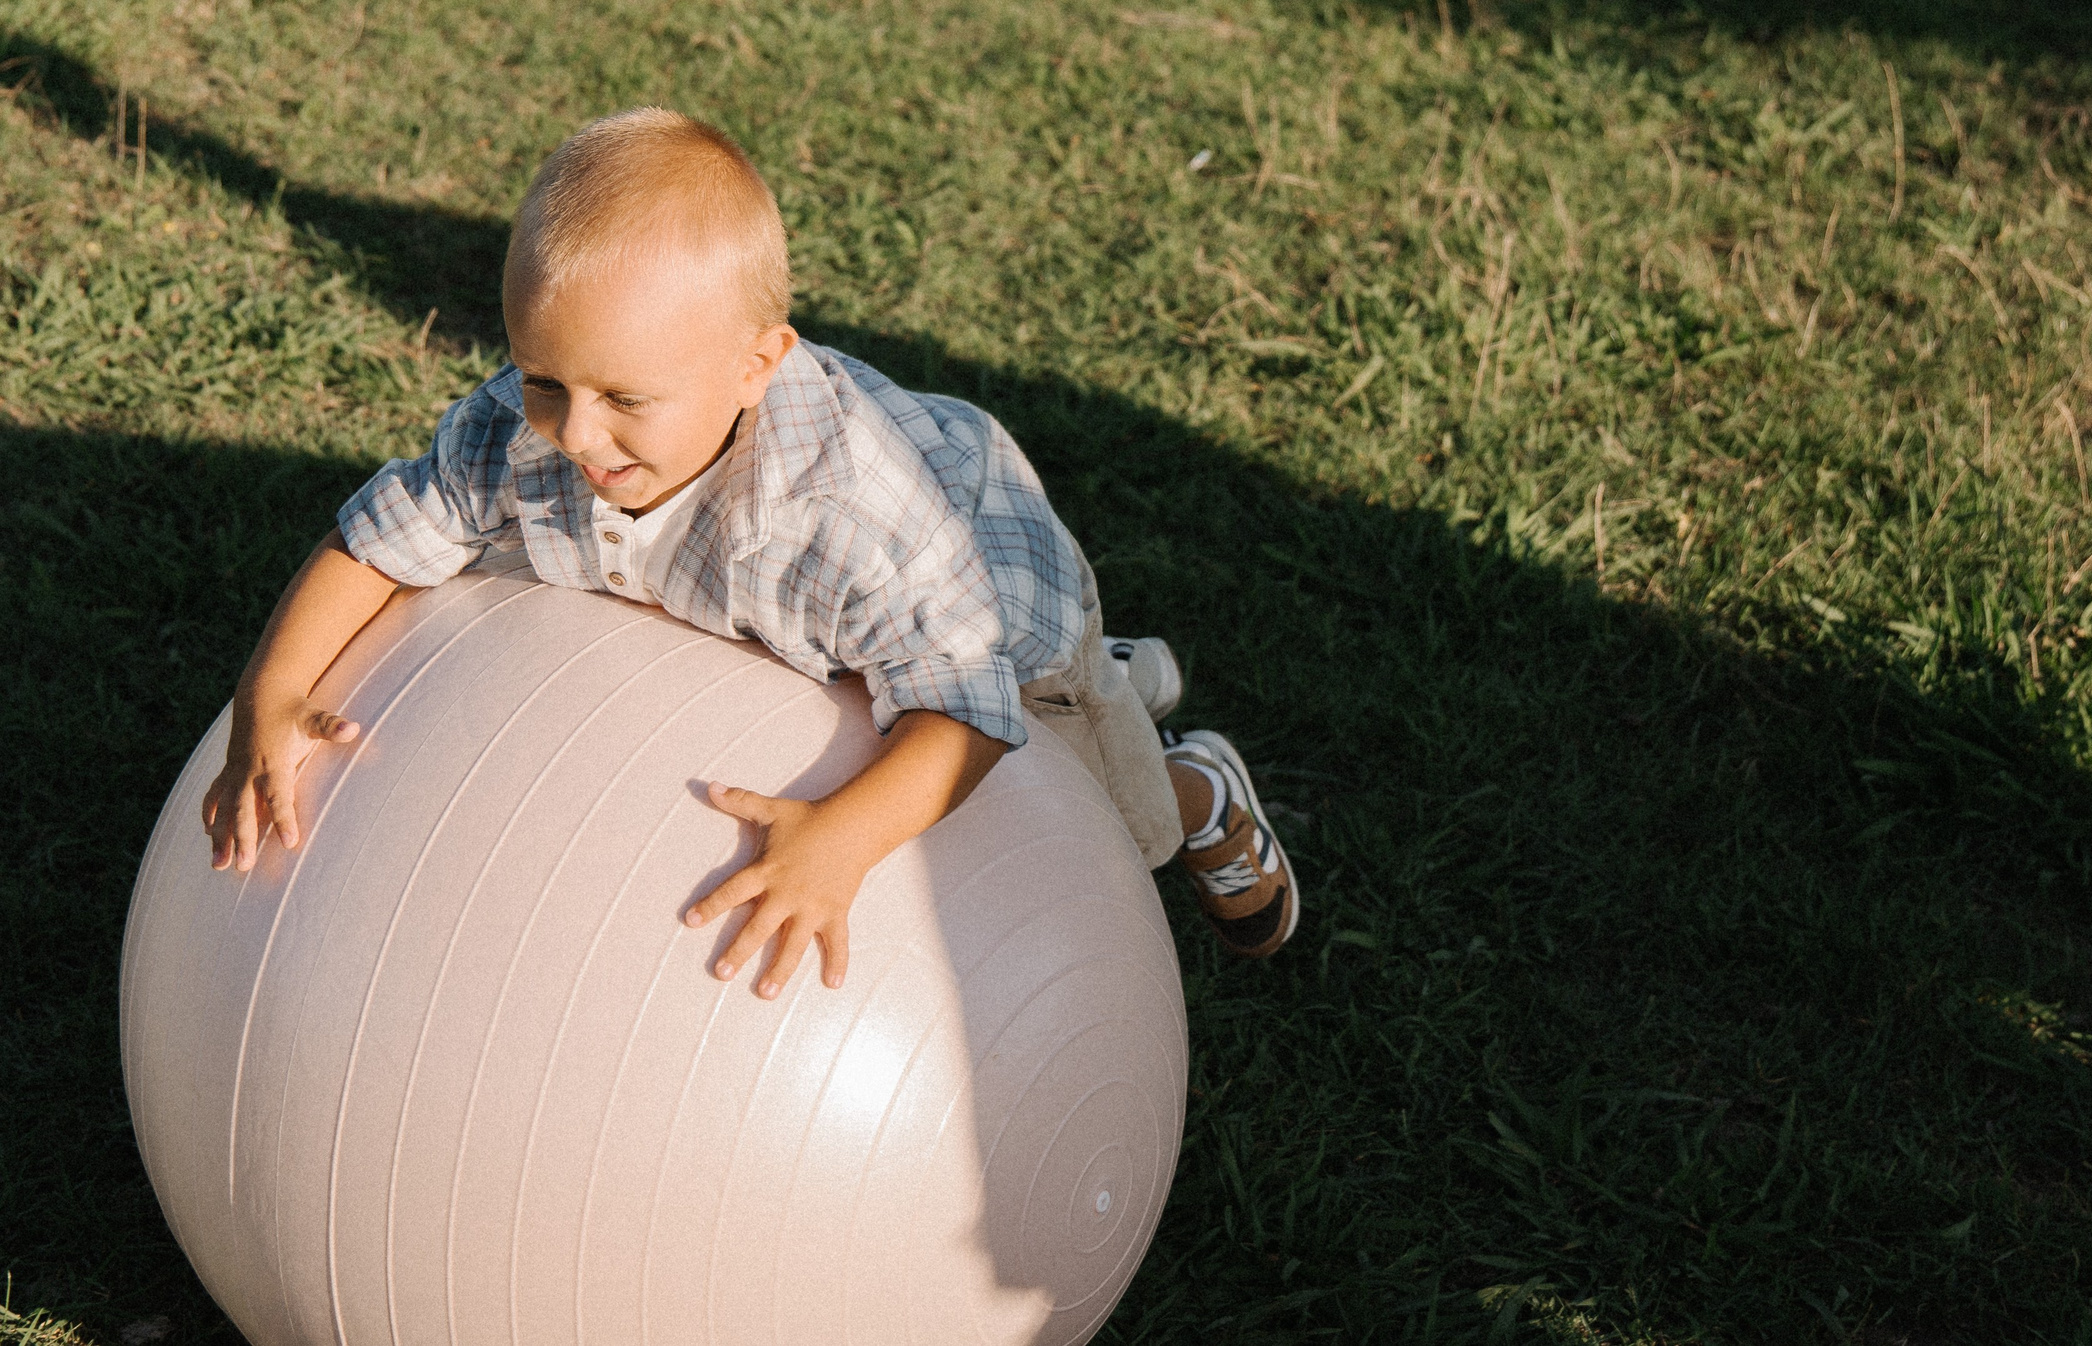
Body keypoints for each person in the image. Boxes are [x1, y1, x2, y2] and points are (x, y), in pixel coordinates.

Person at [200, 108, 1298, 986]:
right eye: (545, 379)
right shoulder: (522, 427)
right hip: (809, 601)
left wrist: (841, 839)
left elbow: (962, 711)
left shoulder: (847, 518)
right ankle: (1135, 680)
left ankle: (1192, 779)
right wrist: (276, 685)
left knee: (1115, 826)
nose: (574, 433)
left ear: (754, 365)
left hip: (1003, 622)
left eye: (623, 396)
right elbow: (381, 537)